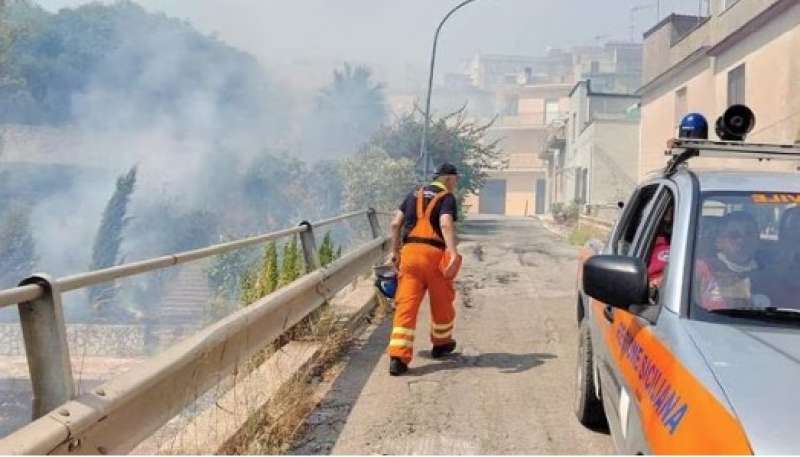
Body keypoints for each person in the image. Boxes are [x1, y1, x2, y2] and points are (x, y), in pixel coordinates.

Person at [386, 162, 462, 376]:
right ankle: (441, 344)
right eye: (455, 180)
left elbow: (394, 224)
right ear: (448, 178)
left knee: (406, 305)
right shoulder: (446, 198)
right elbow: (446, 224)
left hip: (409, 255)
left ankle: (398, 358)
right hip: (434, 256)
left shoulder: (413, 194)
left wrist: (395, 251)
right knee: (442, 301)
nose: (455, 185)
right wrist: (453, 251)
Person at [695, 211, 761, 310]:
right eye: (733, 235)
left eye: (749, 234)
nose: (742, 240)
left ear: (758, 239)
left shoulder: (771, 272)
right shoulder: (702, 269)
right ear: (719, 242)